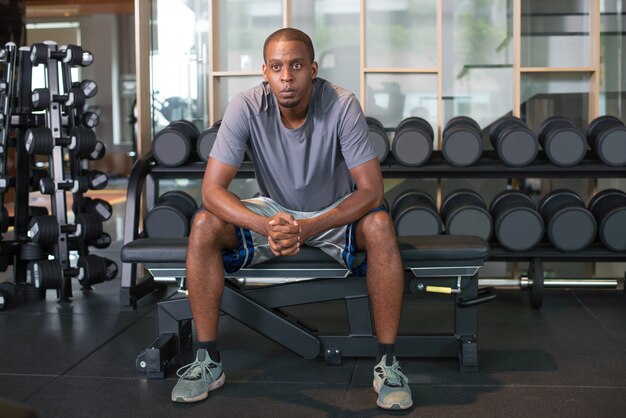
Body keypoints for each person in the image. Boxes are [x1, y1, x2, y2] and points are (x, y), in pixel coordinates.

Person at [171, 28, 412, 411]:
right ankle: (207, 361)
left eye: (296, 66)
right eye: (277, 67)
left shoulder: (341, 104)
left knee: (380, 224)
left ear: (312, 69)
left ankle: (387, 363)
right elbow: (212, 190)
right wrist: (265, 225)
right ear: (264, 72)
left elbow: (371, 191)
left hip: (331, 211)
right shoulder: (245, 106)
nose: (287, 77)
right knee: (204, 223)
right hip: (273, 212)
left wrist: (312, 226)